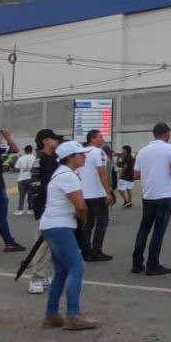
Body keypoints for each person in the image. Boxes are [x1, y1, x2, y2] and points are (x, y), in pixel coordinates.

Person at [38, 140, 98, 330]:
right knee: (77, 267)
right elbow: (80, 205)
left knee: (61, 272)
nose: (84, 156)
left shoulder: (61, 173)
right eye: (80, 154)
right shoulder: (68, 176)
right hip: (60, 226)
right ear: (69, 157)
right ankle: (72, 314)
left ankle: (52, 314)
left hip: (52, 225)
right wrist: (83, 221)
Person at [131, 122, 171, 276]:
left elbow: (136, 175)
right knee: (159, 230)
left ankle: (137, 263)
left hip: (148, 195)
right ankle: (153, 263)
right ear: (166, 133)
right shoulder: (170, 149)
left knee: (144, 228)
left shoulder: (143, 151)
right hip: (164, 195)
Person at [25, 128, 63, 294]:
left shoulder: (43, 159)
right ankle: (36, 278)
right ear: (45, 141)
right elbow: (45, 186)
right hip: (47, 206)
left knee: (50, 243)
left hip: (45, 205)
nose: (57, 142)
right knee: (43, 243)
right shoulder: (46, 160)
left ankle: (44, 275)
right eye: (54, 139)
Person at [78, 130, 114, 261]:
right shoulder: (98, 152)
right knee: (102, 222)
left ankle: (85, 250)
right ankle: (96, 250)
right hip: (97, 194)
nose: (102, 139)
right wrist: (108, 192)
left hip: (84, 193)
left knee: (88, 224)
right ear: (93, 138)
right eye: (100, 137)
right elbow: (102, 173)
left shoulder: (81, 152)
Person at [14, 145, 36, 215]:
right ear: (31, 150)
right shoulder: (34, 158)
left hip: (22, 178)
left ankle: (20, 210)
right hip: (31, 178)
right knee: (31, 195)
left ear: (25, 150)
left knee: (21, 195)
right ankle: (30, 209)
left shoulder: (21, 158)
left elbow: (16, 168)